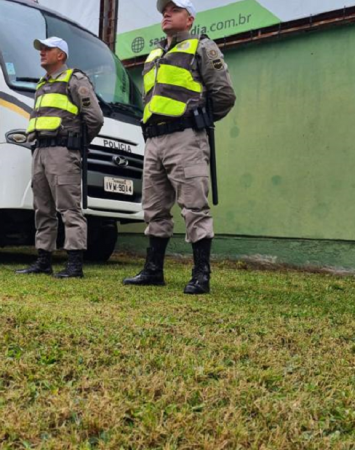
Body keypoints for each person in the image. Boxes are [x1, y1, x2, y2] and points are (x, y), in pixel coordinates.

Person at [123, 0, 236, 294]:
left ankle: (201, 274)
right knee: (154, 208)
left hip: (185, 137)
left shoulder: (201, 47)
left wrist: (198, 119)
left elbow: (224, 95)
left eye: (174, 9)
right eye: (164, 10)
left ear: (190, 18)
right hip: (154, 140)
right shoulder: (155, 54)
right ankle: (153, 270)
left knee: (194, 205)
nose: (166, 13)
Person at [16, 37, 104, 278]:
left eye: (47, 49)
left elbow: (95, 118)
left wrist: (77, 144)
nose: (42, 52)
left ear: (61, 55)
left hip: (63, 152)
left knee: (69, 208)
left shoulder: (74, 80)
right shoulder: (41, 85)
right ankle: (43, 260)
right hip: (40, 151)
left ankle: (74, 264)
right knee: (42, 209)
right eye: (40, 49)